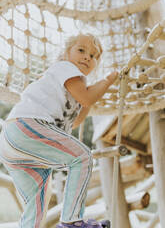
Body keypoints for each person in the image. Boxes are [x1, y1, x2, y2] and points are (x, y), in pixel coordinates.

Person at [0, 34, 118, 228]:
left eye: (94, 55)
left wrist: (88, 98)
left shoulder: (73, 87)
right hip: (27, 127)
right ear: (65, 53)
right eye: (81, 50)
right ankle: (72, 222)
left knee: (37, 201)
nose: (88, 57)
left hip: (13, 143)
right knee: (82, 157)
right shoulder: (65, 68)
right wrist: (108, 80)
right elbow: (87, 97)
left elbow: (77, 120)